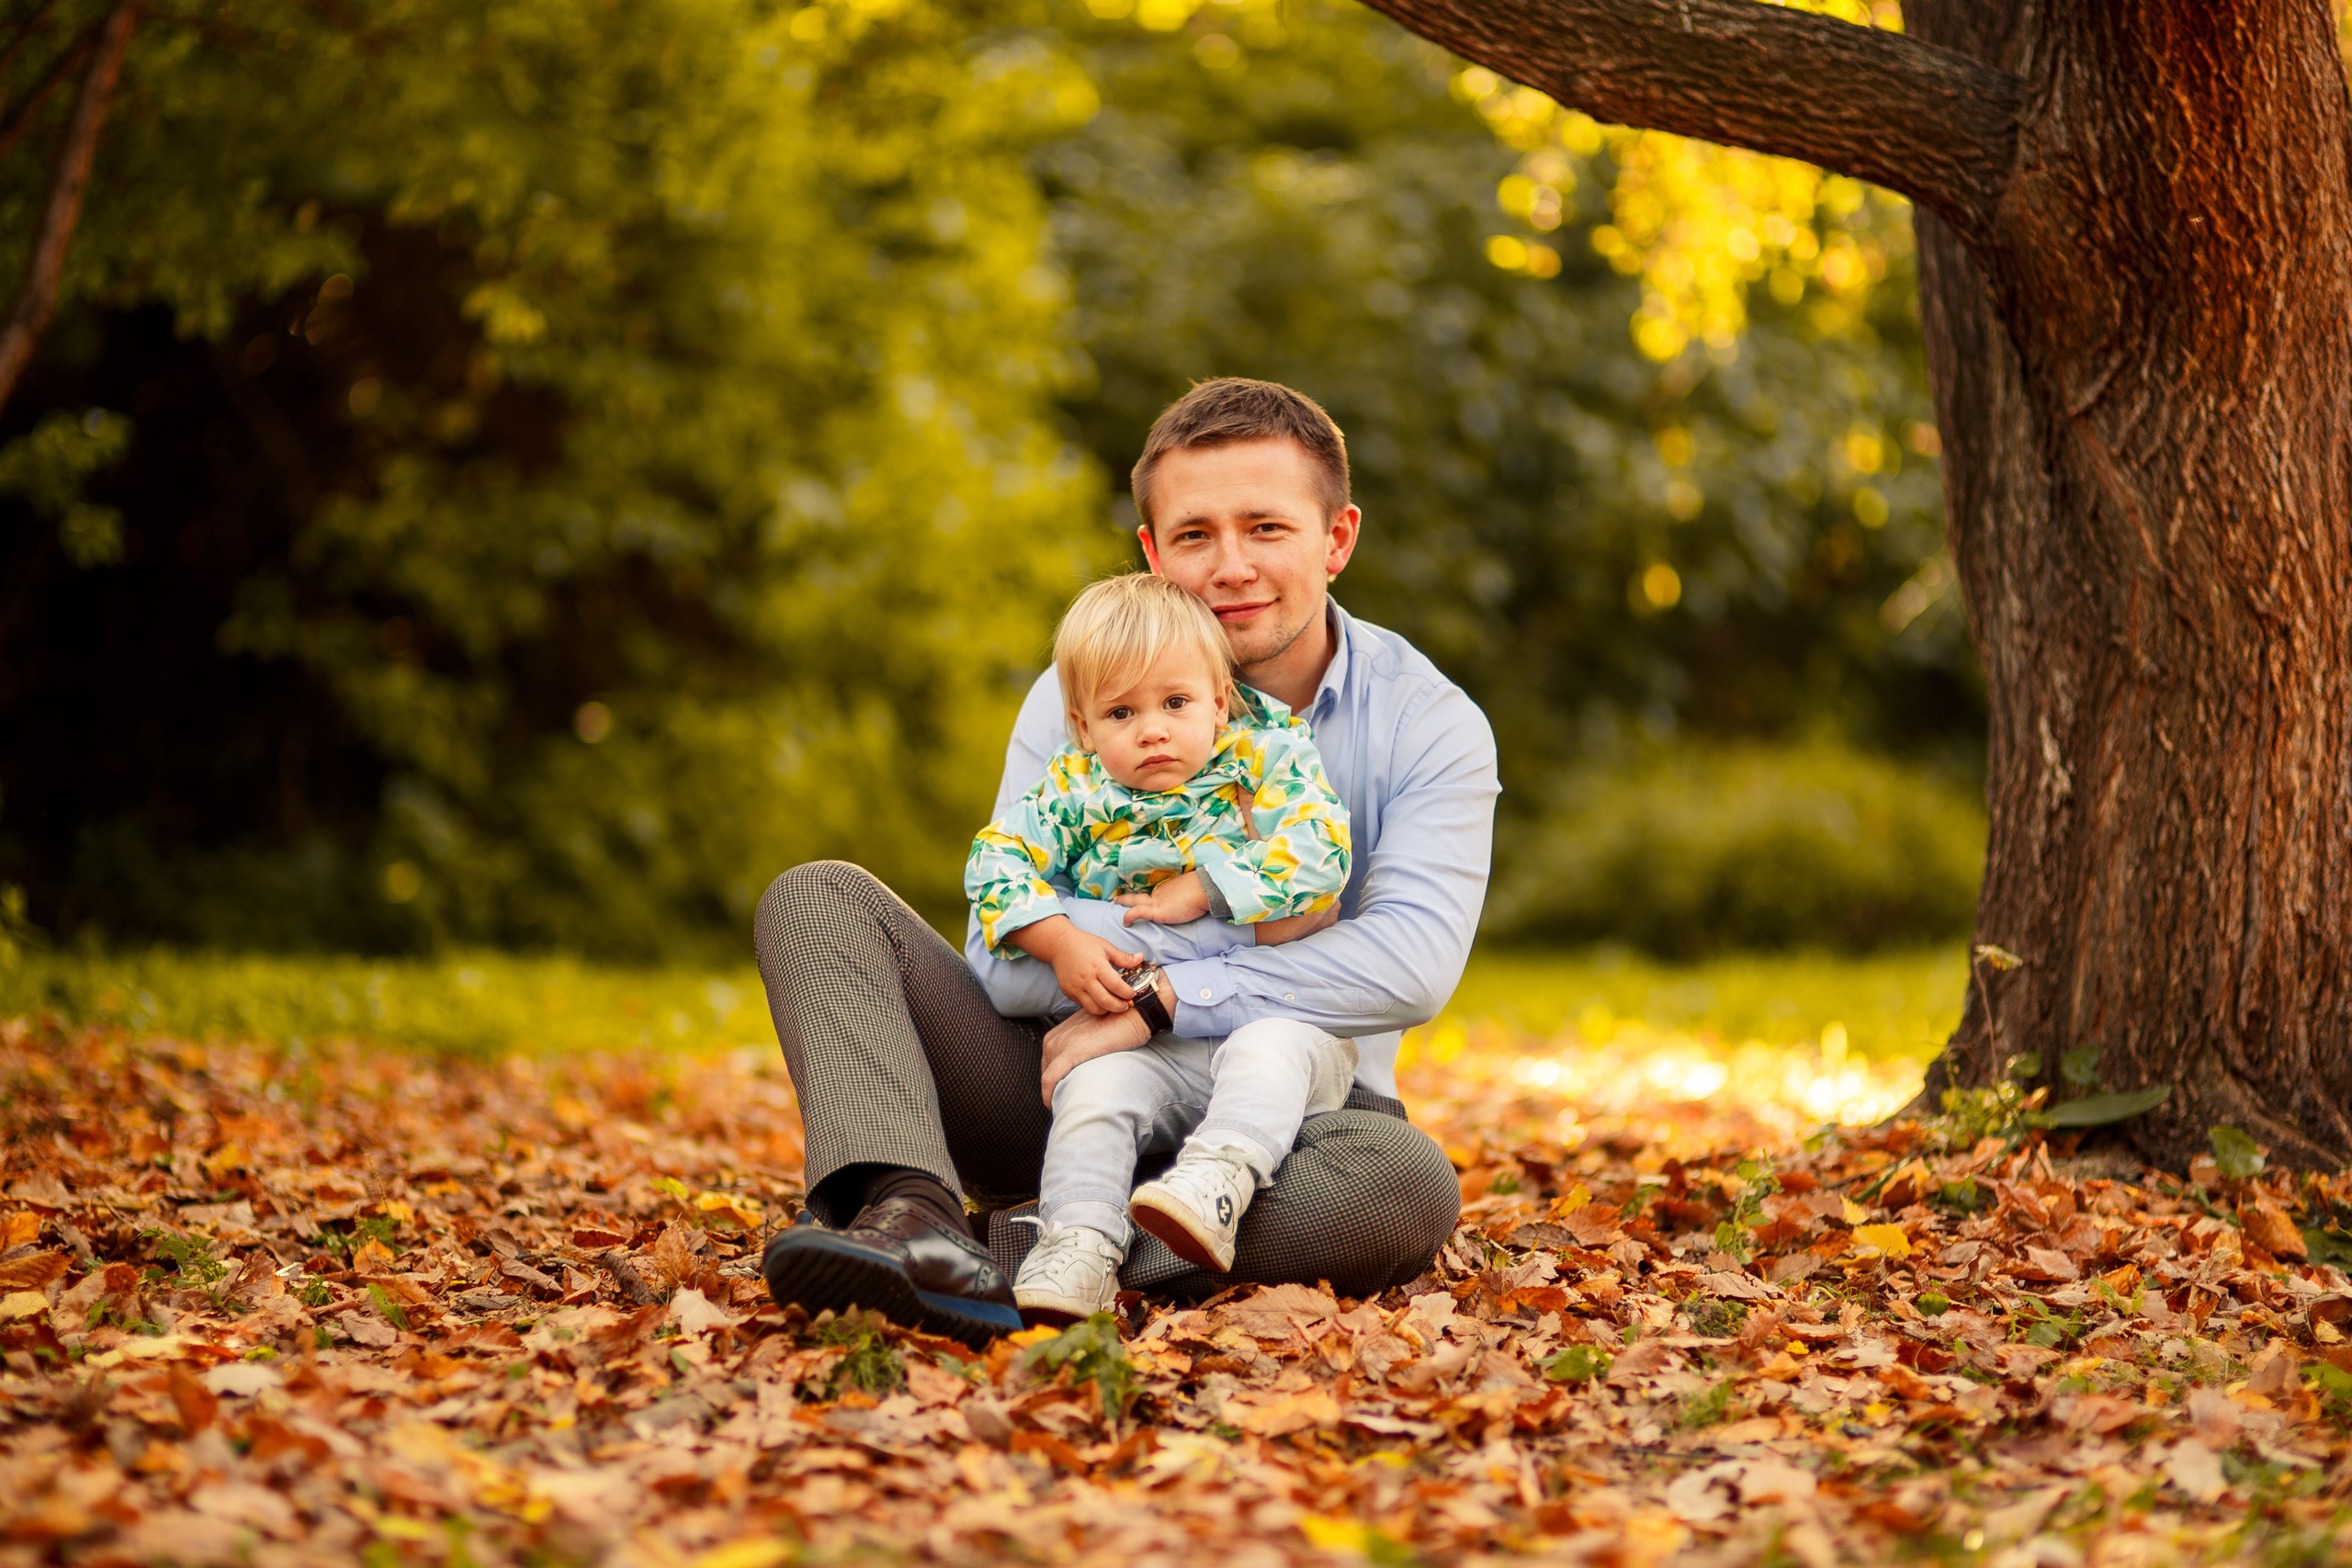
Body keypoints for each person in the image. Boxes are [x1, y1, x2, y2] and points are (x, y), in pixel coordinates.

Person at [755, 377, 1498, 1347]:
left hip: (1287, 1113)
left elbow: (1406, 967)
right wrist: (1224, 942)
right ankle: (909, 1210)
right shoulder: (1082, 702)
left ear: (1337, 540)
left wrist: (1163, 996)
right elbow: (1005, 957)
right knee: (817, 900)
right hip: (1060, 1078)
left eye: (1266, 528)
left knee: (1402, 1189)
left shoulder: (1427, 723)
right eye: (1195, 535)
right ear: (1153, 552)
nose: (1231, 566)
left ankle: (1022, 1248)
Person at [967, 572, 1361, 1322]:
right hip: (1144, 1049)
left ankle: (1212, 1186)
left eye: (1175, 703)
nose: (1152, 729)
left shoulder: (1265, 753)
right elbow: (993, 862)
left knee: (1269, 1052)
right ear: (1083, 727)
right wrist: (1060, 941)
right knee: (1094, 1089)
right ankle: (1078, 1243)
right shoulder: (1076, 788)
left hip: (1275, 1025)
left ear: (1218, 701)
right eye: (1122, 711)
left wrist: (1203, 889)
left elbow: (1321, 857)